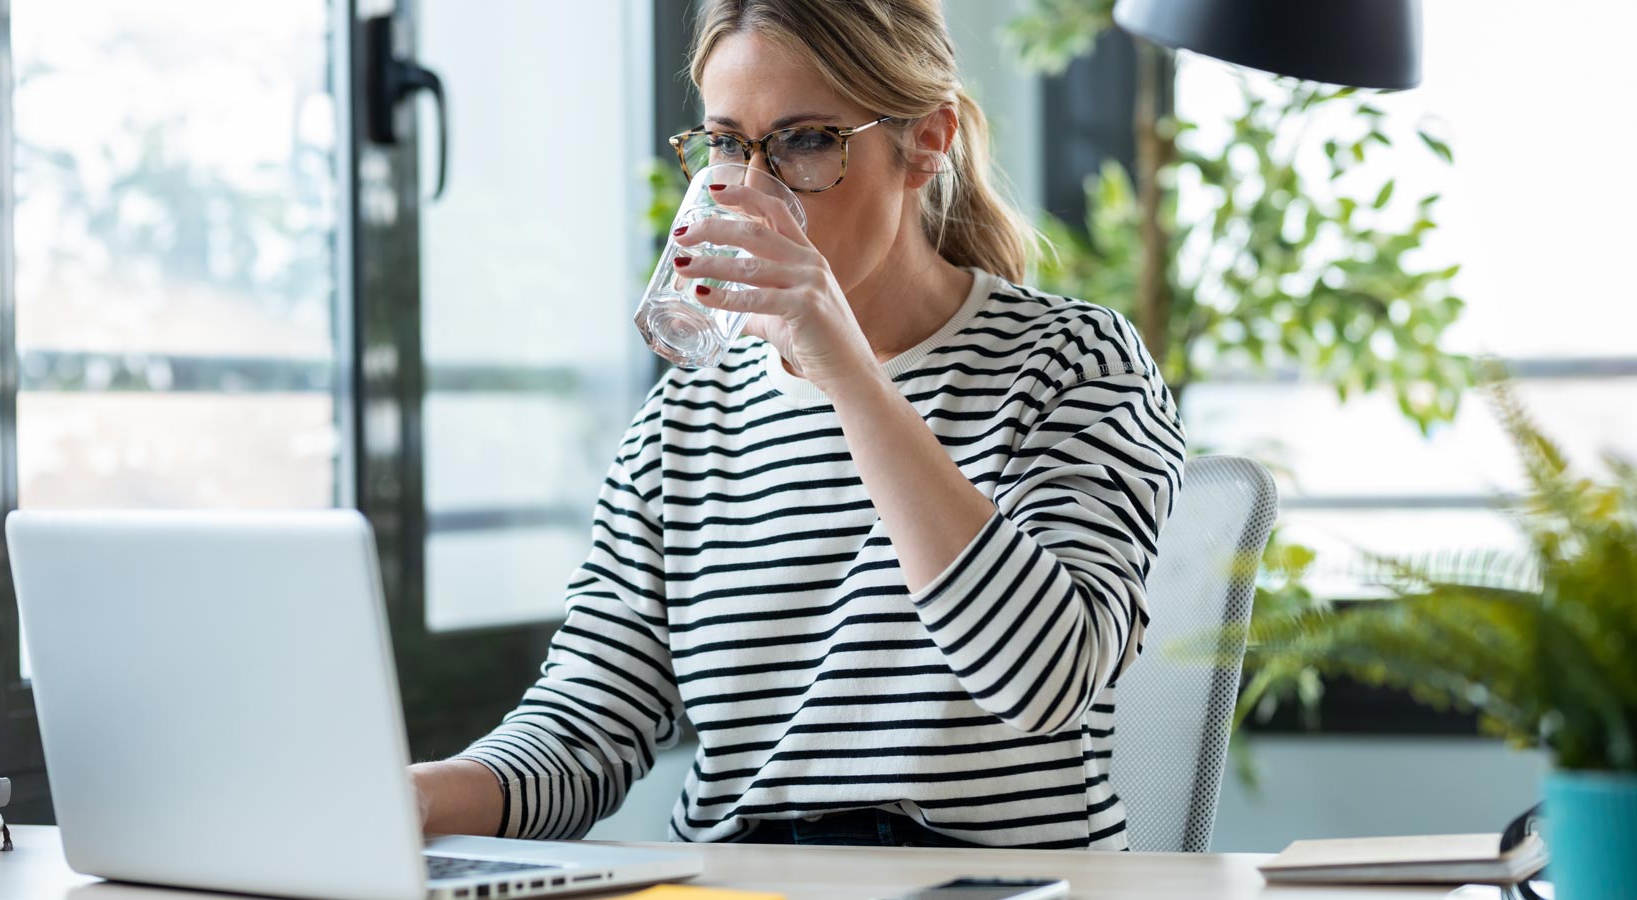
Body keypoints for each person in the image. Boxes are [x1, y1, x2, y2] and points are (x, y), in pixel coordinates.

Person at [408, 0, 1185, 850]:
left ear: (927, 140)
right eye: (729, 145)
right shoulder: (686, 420)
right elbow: (583, 730)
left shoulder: (1071, 362)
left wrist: (848, 373)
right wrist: (411, 797)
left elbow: (1044, 679)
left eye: (807, 140)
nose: (753, 187)